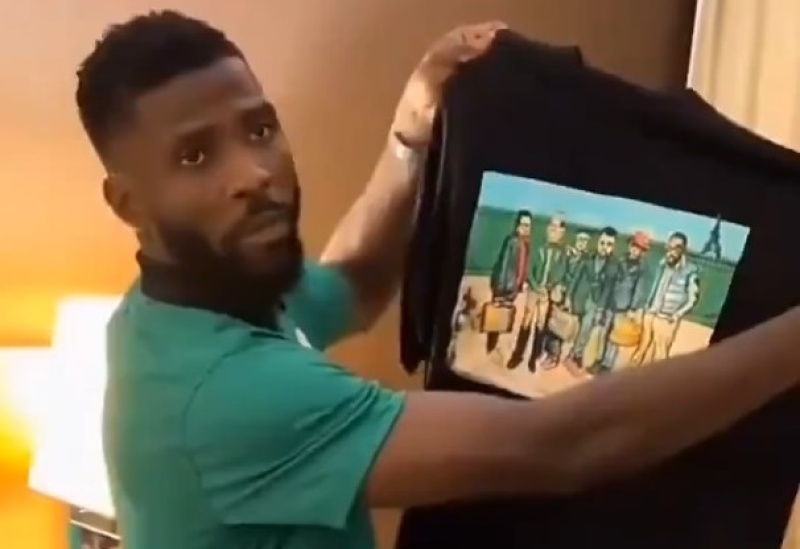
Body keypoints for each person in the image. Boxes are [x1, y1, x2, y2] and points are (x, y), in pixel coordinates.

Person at [75, 11, 800, 549]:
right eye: (196, 157)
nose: (254, 174)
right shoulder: (227, 396)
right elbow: (562, 447)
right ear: (127, 202)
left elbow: (354, 283)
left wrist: (410, 134)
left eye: (259, 130)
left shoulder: (174, 311)